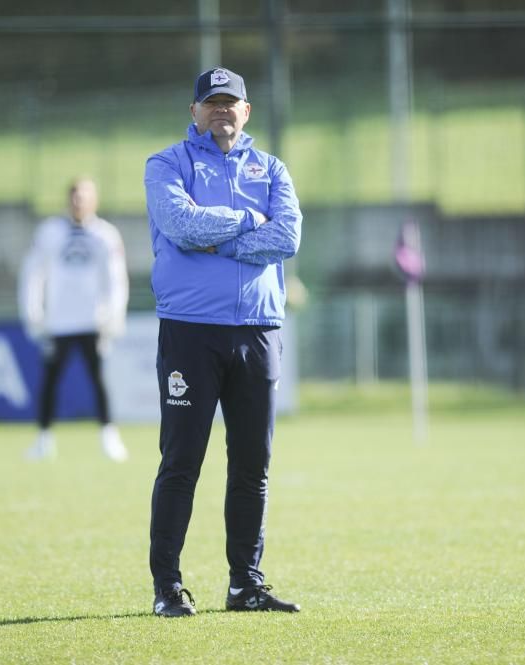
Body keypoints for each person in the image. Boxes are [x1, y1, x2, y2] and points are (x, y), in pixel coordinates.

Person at [144, 67, 303, 617]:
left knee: (253, 465)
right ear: (193, 112)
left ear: (246, 110)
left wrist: (224, 243)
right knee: (182, 460)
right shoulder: (167, 164)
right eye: (210, 103)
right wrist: (246, 220)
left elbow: (288, 236)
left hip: (258, 331)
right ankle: (167, 587)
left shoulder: (273, 168)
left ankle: (245, 584)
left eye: (229, 102)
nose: (220, 110)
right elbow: (182, 225)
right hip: (190, 331)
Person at [18, 178, 130, 463]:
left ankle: (109, 437)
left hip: (93, 321)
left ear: (94, 200)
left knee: (98, 380)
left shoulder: (105, 235)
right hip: (59, 322)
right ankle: (43, 439)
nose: (78, 202)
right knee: (50, 381)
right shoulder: (50, 232)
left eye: (84, 196)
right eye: (74, 197)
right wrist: (34, 313)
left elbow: (116, 280)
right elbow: (33, 273)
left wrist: (113, 316)